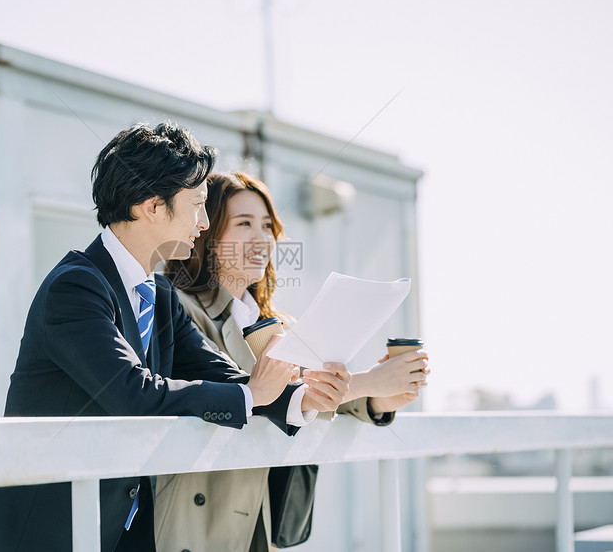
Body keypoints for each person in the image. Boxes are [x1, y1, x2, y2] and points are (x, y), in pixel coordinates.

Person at [0, 122, 351, 552]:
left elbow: (214, 370)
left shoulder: (159, 294)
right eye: (197, 205)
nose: (203, 222)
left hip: (112, 534)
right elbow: (132, 392)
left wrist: (296, 396)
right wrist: (252, 396)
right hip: (34, 536)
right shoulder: (76, 287)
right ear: (152, 207)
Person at [156, 171, 429, 551]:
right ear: (207, 233)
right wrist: (369, 381)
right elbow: (244, 389)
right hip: (198, 515)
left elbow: (317, 399)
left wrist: (382, 398)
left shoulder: (284, 326)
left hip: (260, 517)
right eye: (244, 223)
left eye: (268, 226)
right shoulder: (179, 308)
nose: (261, 237)